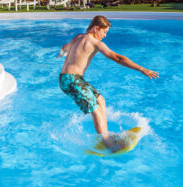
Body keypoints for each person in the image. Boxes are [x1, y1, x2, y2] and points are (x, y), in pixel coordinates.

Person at [57, 16, 159, 152]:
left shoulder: (78, 37)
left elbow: (65, 48)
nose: (104, 36)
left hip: (70, 79)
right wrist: (141, 69)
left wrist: (62, 54)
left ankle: (106, 135)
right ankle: (108, 143)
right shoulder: (95, 43)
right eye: (104, 32)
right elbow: (118, 58)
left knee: (101, 100)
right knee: (96, 109)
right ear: (96, 28)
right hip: (71, 80)